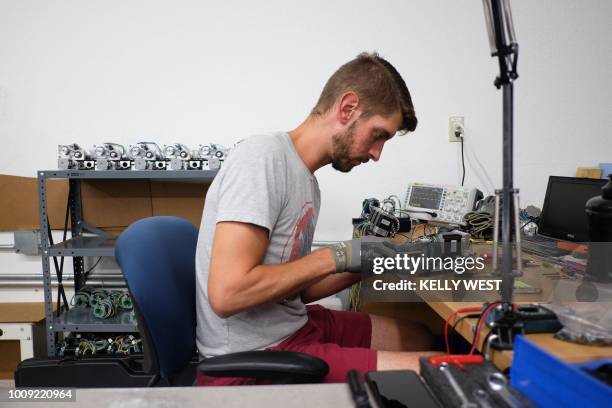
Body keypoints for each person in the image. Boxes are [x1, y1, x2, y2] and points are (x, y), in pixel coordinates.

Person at [195, 52, 439, 386]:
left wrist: (365, 263)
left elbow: (297, 289)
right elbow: (228, 294)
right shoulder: (262, 158)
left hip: (295, 324)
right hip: (255, 358)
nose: (377, 154)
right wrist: (335, 255)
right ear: (348, 108)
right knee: (443, 373)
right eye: (378, 134)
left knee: (420, 336)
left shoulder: (307, 181)